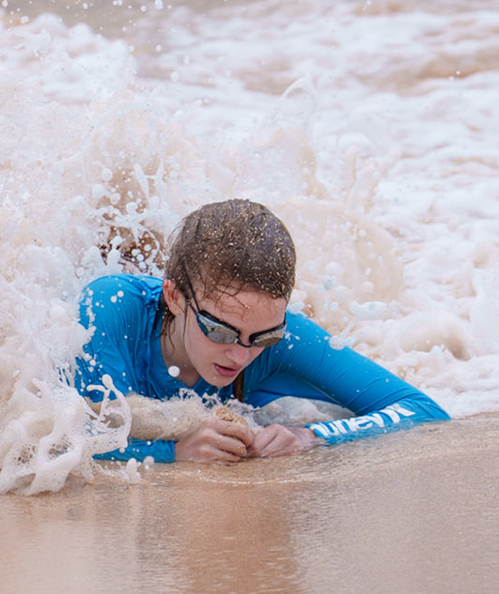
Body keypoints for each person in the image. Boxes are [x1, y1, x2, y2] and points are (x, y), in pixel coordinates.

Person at [76, 199, 447, 464]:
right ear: (174, 297)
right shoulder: (108, 308)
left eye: (264, 337)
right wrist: (174, 452)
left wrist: (312, 435)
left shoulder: (285, 338)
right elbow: (68, 440)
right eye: (219, 331)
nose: (241, 355)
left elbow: (421, 410)